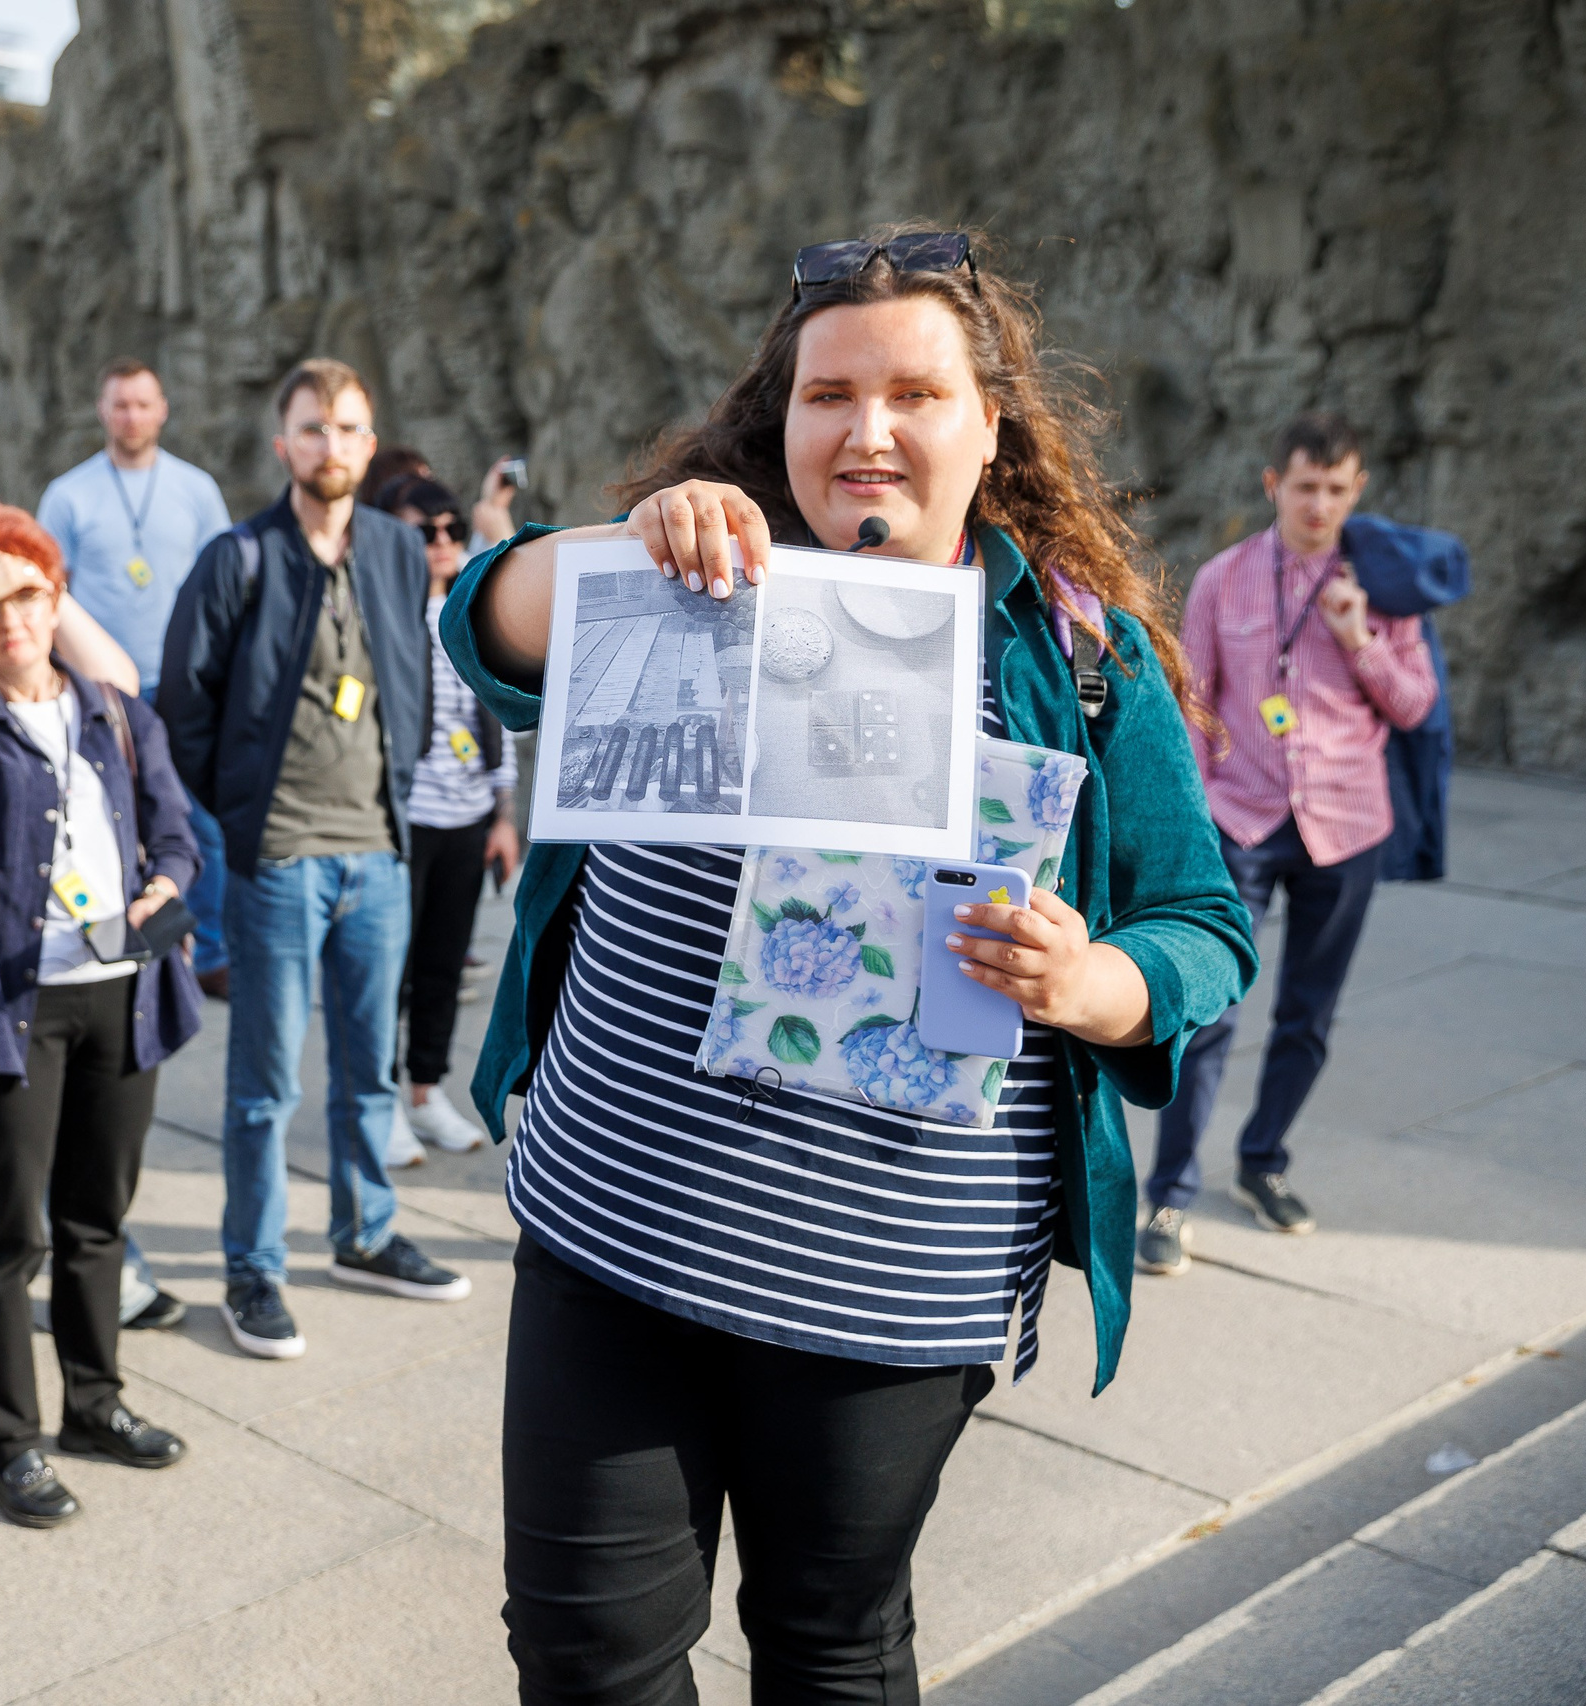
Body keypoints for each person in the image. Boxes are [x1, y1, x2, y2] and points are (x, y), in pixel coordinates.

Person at [444, 227, 1256, 1702]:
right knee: (584, 1652)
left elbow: (1202, 925)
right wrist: (620, 551)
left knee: (832, 1651)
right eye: (828, 394)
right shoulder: (698, 574)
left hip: (890, 1287)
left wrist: (1090, 983)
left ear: (989, 425)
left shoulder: (1083, 655)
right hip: (617, 1227)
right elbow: (480, 624)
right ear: (782, 413)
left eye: (914, 395)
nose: (866, 431)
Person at [0, 504, 201, 1528]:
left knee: (96, 1220)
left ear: (57, 604)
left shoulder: (115, 714)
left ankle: (95, 1403)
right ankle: (5, 1444)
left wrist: (163, 886)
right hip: (13, 1008)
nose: (10, 616)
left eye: (27, 594)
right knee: (6, 1236)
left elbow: (178, 837)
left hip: (121, 993)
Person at [158, 357, 474, 1364]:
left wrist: (405, 780)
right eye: (311, 428)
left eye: (345, 428)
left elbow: (418, 668)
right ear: (282, 442)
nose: (329, 445)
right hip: (280, 858)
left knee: (367, 1073)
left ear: (367, 443)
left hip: (378, 851)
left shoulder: (391, 543)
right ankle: (253, 1267)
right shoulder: (237, 556)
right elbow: (184, 703)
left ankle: (365, 1232)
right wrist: (244, 811)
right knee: (262, 1085)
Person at [1138, 412, 1437, 1274]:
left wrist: (1360, 638)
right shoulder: (1224, 579)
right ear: (1275, 486)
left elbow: (1414, 705)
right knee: (1208, 1016)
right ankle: (1172, 1196)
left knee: (1310, 1014)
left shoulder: (1385, 587)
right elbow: (1192, 706)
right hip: (1244, 820)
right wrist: (1187, 826)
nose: (1320, 504)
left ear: (1357, 491)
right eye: (1306, 486)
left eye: (1337, 489)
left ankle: (1264, 1162)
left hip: (1346, 826)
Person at [36, 361, 236, 992]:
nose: (131, 416)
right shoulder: (68, 495)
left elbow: (225, 583)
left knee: (199, 817)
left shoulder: (196, 489)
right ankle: (126, 947)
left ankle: (211, 954)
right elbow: (48, 589)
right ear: (102, 410)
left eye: (142, 404)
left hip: (184, 680)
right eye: (120, 405)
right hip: (101, 689)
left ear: (163, 410)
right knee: (105, 816)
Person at [381, 475, 518, 1156]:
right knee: (389, 971)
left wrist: (503, 817)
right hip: (402, 822)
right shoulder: (385, 616)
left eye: (450, 530)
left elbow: (498, 712)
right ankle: (378, 1105)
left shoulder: (472, 611)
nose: (440, 543)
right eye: (422, 532)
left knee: (440, 968)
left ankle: (426, 1094)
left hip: (468, 817)